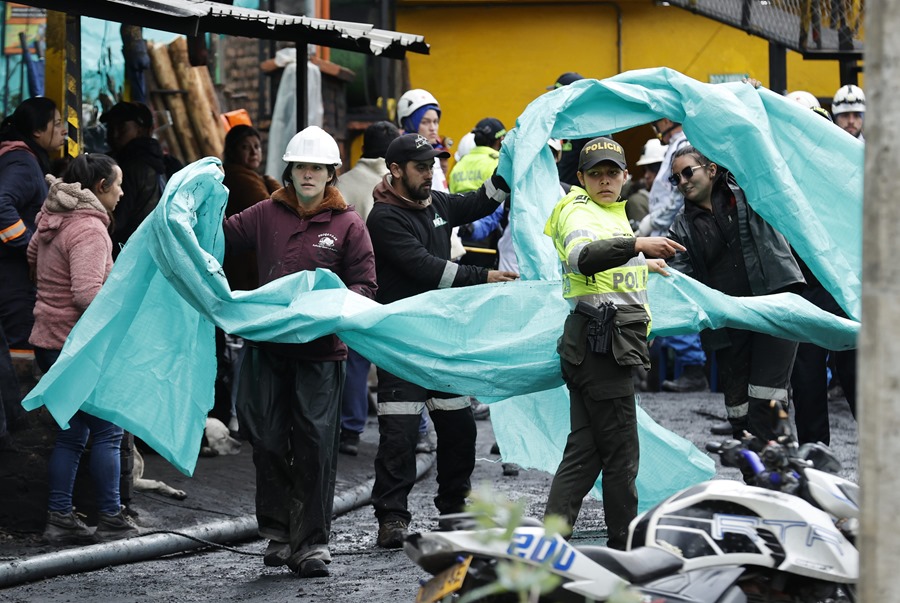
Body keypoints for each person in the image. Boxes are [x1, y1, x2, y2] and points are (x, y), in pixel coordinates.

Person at [224, 126, 377, 578]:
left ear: (331, 173)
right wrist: (189, 209)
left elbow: (366, 285)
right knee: (266, 438)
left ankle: (310, 543)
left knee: (314, 445)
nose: (308, 174)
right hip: (268, 349)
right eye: (301, 167)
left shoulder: (348, 224)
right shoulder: (264, 213)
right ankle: (278, 532)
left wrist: (331, 306)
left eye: (317, 167)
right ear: (289, 171)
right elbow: (218, 239)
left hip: (320, 354)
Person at [366, 133, 517, 549]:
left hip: (440, 344)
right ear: (395, 170)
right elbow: (427, 268)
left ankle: (454, 509)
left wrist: (512, 159)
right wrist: (483, 276)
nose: (429, 174)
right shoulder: (383, 218)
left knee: (460, 430)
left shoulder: (436, 203)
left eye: (431, 166)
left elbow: (483, 201)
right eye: (420, 167)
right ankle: (391, 518)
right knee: (399, 435)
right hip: (401, 346)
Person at [542, 136, 682, 550]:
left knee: (585, 452)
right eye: (596, 174)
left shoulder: (609, 212)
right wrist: (637, 244)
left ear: (624, 176)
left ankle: (551, 540)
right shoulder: (578, 209)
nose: (604, 180)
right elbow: (583, 257)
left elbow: (607, 265)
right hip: (602, 346)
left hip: (593, 344)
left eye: (612, 172)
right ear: (581, 177)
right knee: (621, 453)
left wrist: (643, 262)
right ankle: (627, 547)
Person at [28, 153, 139, 545]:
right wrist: (126, 306)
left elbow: (31, 257)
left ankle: (60, 518)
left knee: (72, 433)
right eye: (118, 184)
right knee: (108, 430)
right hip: (77, 347)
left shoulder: (52, 217)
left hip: (49, 341)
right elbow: (87, 294)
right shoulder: (90, 228)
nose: (122, 193)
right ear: (101, 187)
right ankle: (110, 517)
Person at [667, 145, 805, 442]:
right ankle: (759, 468)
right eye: (675, 178)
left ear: (712, 170)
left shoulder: (748, 193)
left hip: (773, 305)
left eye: (688, 172)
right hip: (729, 325)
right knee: (739, 413)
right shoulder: (680, 228)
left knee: (768, 399)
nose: (683, 182)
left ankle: (782, 458)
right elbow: (679, 279)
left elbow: (757, 153)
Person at [334, 120, 401, 456]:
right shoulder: (398, 184)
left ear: (362, 149)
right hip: (394, 282)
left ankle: (350, 429)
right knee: (398, 355)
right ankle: (412, 429)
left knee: (355, 357)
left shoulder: (342, 184)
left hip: (353, 284)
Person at [636, 117, 710, 396]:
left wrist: (653, 221)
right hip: (666, 234)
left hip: (672, 235)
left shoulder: (683, 147)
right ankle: (690, 366)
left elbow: (679, 195)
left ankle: (693, 367)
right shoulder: (677, 146)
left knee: (672, 297)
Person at [0, 97, 66, 379]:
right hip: (12, 274)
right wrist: (30, 246)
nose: (64, 130)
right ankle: (18, 404)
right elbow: (1, 204)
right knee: (19, 349)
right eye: (57, 123)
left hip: (13, 272)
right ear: (37, 131)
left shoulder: (21, 157)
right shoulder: (22, 162)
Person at [99, 101, 169, 256]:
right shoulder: (159, 160)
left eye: (121, 128)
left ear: (141, 130)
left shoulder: (130, 167)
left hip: (128, 252)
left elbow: (117, 221)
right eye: (110, 128)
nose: (114, 134)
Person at [449, 117, 508, 270]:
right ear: (500, 140)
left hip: (458, 237)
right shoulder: (498, 161)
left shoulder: (459, 165)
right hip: (488, 238)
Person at [546, 72, 592, 188]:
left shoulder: (590, 128)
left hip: (576, 195)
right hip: (554, 192)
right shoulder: (554, 123)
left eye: (556, 93)